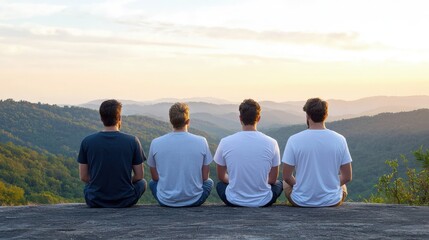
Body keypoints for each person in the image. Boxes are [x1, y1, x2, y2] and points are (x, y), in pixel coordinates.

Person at [282, 97, 353, 207]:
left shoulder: (294, 140)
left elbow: (286, 176)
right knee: (343, 186)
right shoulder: (340, 139)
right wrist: (329, 184)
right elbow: (347, 176)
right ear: (326, 115)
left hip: (301, 201)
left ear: (308, 115)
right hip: (332, 201)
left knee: (285, 183)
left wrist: (302, 185)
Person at [77, 99, 146, 208]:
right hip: (125, 200)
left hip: (95, 200)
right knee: (143, 183)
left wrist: (100, 183)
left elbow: (84, 177)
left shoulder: (87, 141)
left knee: (87, 187)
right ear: (119, 118)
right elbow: (139, 176)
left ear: (101, 118)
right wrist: (126, 182)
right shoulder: (132, 141)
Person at [214, 99, 282, 207]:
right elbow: (273, 179)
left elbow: (221, 176)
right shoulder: (272, 143)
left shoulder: (225, 142)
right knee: (279, 184)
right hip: (263, 200)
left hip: (233, 200)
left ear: (240, 118)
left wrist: (236, 182)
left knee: (219, 185)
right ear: (258, 118)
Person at [147, 102, 213, 207]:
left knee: (151, 183)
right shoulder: (202, 141)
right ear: (188, 121)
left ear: (170, 121)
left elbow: (155, 178)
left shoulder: (156, 142)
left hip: (165, 200)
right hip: (194, 200)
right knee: (209, 182)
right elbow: (205, 177)